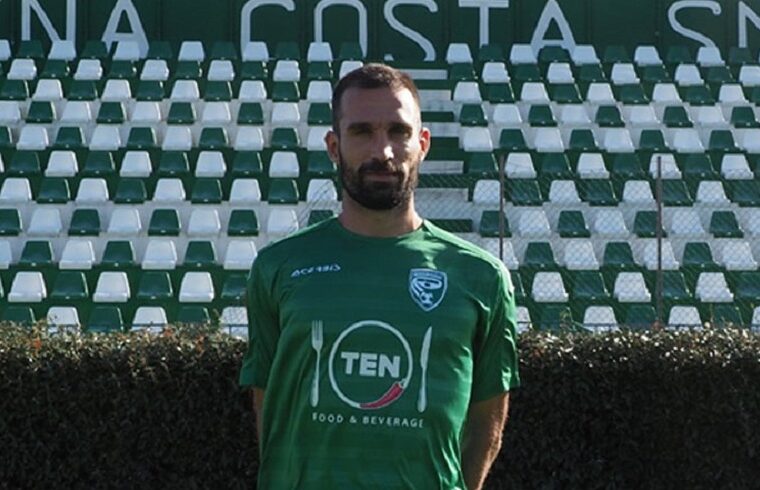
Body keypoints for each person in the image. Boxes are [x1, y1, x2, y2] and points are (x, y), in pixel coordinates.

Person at [239, 63, 520, 489]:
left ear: (422, 144)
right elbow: (268, 403)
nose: (383, 151)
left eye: (398, 132)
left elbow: (488, 418)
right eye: (362, 132)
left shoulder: (481, 277)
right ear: (334, 146)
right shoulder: (278, 267)